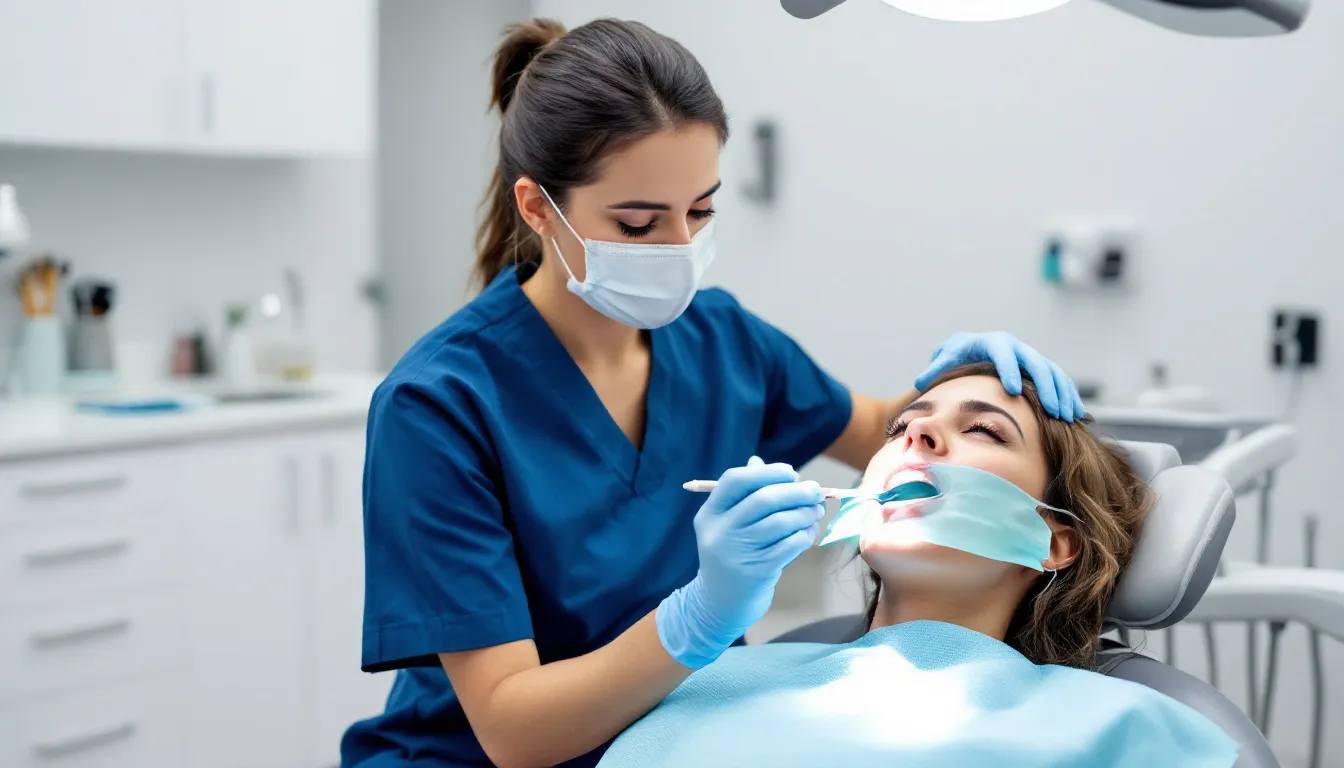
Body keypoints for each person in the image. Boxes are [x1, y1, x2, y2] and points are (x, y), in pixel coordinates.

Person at [341, 17, 1086, 768]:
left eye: (699, 211)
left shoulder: (720, 338)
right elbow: (512, 728)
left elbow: (871, 427)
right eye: (638, 224)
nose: (678, 250)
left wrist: (960, 389)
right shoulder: (438, 405)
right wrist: (696, 619)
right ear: (539, 208)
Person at [596, 363, 1240, 767]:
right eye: (904, 425)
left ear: (1053, 541)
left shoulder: (1121, 730)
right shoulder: (712, 680)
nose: (916, 437)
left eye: (985, 431)